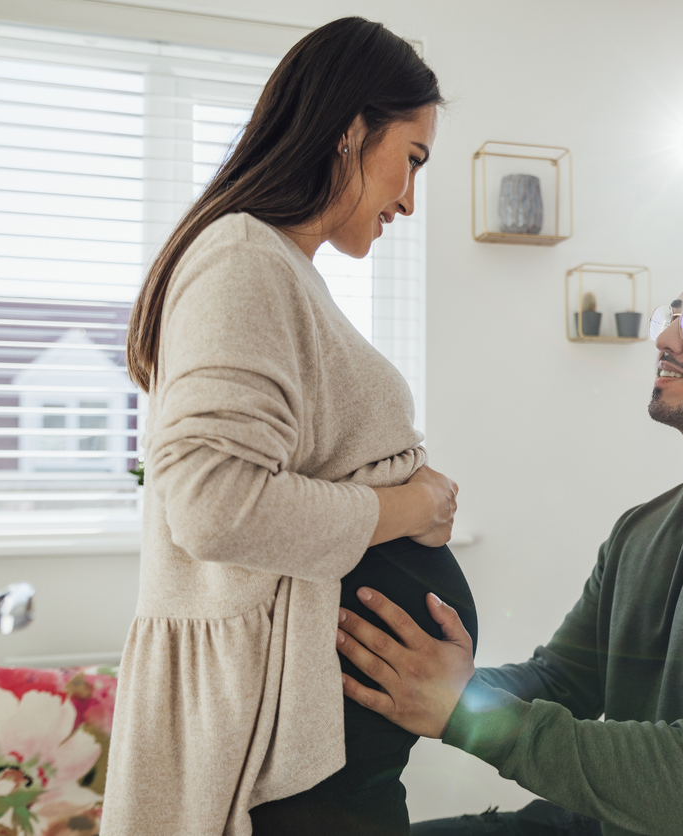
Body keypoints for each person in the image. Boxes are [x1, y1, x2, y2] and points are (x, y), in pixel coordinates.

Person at [336, 247, 683, 836]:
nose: (666, 340)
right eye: (672, 315)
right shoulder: (643, 529)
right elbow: (563, 679)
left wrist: (459, 711)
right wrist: (410, 675)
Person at [104, 18, 475, 836]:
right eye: (410, 161)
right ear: (349, 130)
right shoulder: (242, 259)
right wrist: (407, 511)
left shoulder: (278, 267)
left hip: (325, 748)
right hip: (293, 759)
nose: (411, 201)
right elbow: (214, 503)